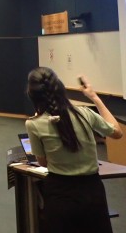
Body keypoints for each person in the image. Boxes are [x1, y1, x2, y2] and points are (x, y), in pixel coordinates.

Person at [25, 67, 123, 233]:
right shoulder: (84, 114)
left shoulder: (34, 124)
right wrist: (93, 97)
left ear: (33, 95)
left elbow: (43, 162)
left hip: (60, 194)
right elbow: (117, 132)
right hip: (93, 192)